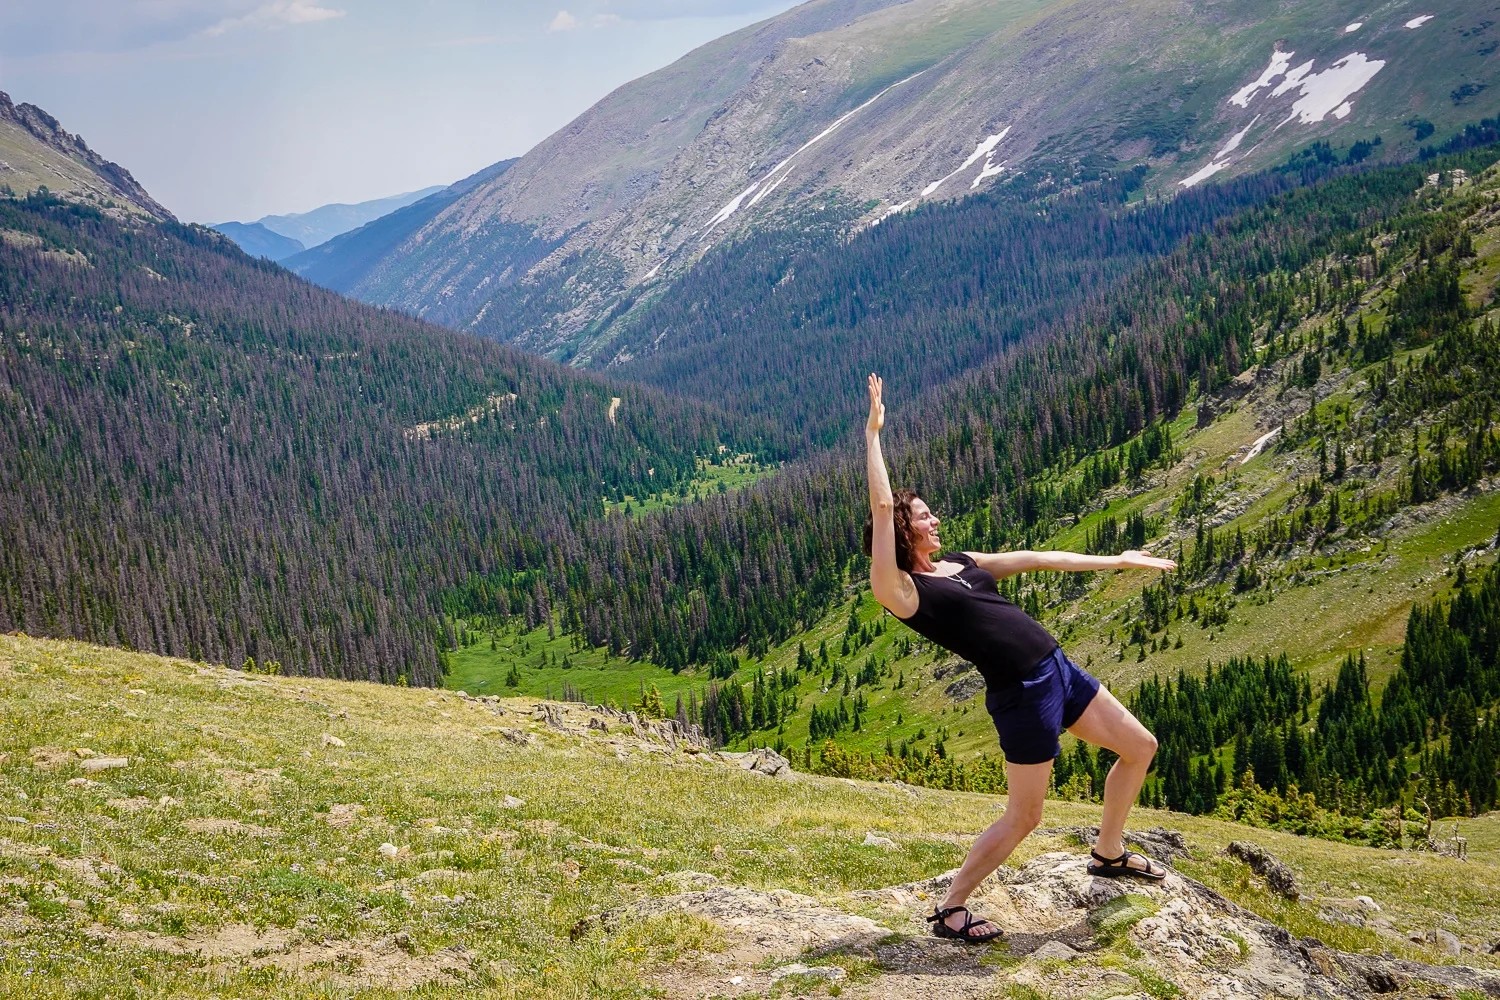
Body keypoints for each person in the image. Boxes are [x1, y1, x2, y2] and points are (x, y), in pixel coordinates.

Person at [862, 373, 1176, 944]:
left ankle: (1108, 852)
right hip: (1022, 693)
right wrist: (873, 433)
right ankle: (951, 907)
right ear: (904, 532)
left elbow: (1034, 557)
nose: (935, 521)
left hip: (1058, 669)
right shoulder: (903, 590)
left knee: (1140, 746)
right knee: (1026, 815)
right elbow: (882, 506)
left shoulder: (959, 561)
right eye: (925, 517)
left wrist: (1118, 561)